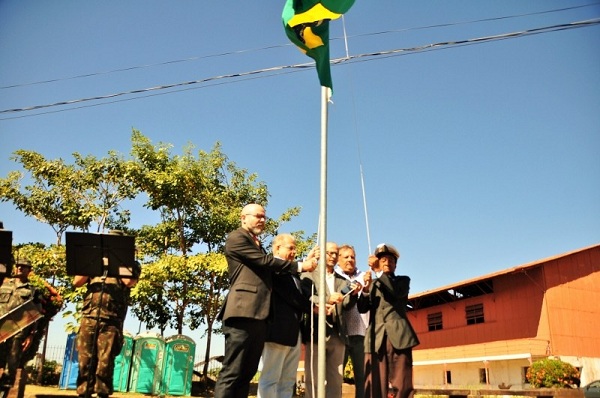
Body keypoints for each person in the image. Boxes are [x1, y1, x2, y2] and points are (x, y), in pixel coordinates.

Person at [214, 204, 317, 398]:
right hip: (242, 311)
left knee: (246, 373)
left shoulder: (256, 244)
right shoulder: (237, 237)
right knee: (233, 372)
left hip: (260, 316)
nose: (262, 220)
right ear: (243, 217)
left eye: (264, 216)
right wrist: (301, 265)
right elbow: (266, 262)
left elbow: (273, 268)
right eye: (257, 216)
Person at [74, 241, 139, 398]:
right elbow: (76, 282)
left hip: (111, 322)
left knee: (105, 363)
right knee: (84, 362)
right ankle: (84, 393)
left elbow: (129, 282)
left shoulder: (132, 265)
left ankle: (102, 393)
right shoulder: (95, 263)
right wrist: (95, 262)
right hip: (89, 318)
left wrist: (117, 262)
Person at [357, 244, 419, 398]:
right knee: (374, 382)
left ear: (396, 265)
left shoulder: (403, 281)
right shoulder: (373, 284)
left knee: (402, 381)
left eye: (391, 260)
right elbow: (362, 308)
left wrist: (378, 271)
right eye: (383, 260)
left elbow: (395, 293)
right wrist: (365, 289)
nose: (387, 263)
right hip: (375, 338)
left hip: (399, 336)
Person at [258, 233, 312, 398]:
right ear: (277, 248)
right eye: (290, 248)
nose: (294, 252)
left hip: (294, 332)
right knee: (270, 379)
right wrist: (313, 307)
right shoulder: (273, 269)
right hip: (277, 332)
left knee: (288, 381)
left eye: (295, 248)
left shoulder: (293, 274)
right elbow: (292, 296)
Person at [301, 241, 357, 398]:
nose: (332, 256)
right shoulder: (309, 274)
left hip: (338, 334)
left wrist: (352, 295)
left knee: (336, 379)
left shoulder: (343, 281)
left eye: (335, 253)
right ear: (321, 253)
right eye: (329, 253)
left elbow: (346, 306)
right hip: (316, 333)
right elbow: (306, 296)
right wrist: (327, 299)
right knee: (314, 378)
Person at [0, 259, 41, 385]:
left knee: (12, 361)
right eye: (18, 266)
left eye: (24, 267)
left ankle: (5, 388)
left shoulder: (34, 290)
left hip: (18, 330)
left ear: (29, 270)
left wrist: (31, 335)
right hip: (1, 326)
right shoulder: (3, 284)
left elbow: (35, 315)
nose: (20, 268)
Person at [336, 244, 368, 398]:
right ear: (338, 260)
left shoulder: (365, 276)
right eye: (346, 257)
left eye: (352, 257)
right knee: (336, 375)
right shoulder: (334, 275)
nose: (350, 260)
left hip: (360, 332)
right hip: (339, 333)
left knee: (362, 376)